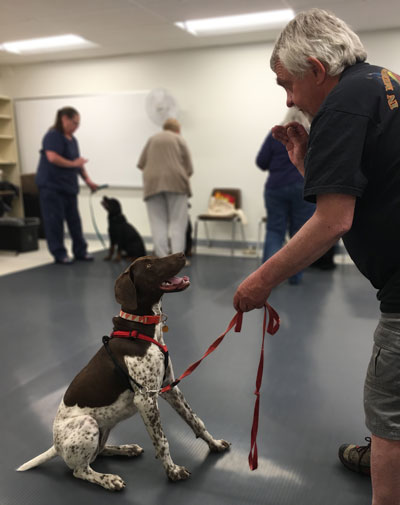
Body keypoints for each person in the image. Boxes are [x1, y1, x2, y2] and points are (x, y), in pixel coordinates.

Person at [233, 8, 400, 505]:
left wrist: (260, 281)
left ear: (316, 69)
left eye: (286, 84)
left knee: (387, 408)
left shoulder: (341, 107)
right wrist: (308, 163)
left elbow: (333, 221)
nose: (288, 99)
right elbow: (362, 192)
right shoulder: (383, 82)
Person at [256, 108, 315, 284]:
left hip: (275, 187)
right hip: (303, 187)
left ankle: (267, 279)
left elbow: (261, 161)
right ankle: (295, 276)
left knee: (274, 230)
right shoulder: (311, 135)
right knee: (300, 233)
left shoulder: (276, 135)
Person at [36, 107, 98, 264]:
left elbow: (77, 162)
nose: (76, 126)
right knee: (54, 222)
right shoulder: (52, 136)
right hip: (52, 187)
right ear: (64, 119)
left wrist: (88, 180)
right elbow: (52, 157)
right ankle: (59, 253)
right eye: (74, 122)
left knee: (75, 221)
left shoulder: (72, 140)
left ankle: (80, 251)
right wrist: (73, 163)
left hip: (68, 188)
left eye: (78, 123)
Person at [137, 118, 193, 259]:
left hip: (152, 184)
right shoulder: (179, 139)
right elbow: (189, 167)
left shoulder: (152, 139)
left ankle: (161, 259)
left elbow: (141, 164)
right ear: (177, 129)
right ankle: (177, 259)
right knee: (178, 223)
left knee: (157, 223)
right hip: (176, 183)